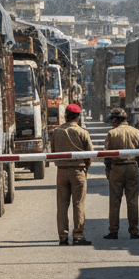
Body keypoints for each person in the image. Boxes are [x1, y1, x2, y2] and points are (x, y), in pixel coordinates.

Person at [50, 103, 94, 245]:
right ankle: (78, 236)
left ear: (65, 115)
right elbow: (90, 154)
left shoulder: (56, 132)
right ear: (78, 117)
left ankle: (63, 237)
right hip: (78, 170)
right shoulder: (82, 132)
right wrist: (86, 168)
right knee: (78, 204)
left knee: (62, 205)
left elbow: (53, 152)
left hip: (61, 171)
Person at [103, 108, 139, 240]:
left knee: (115, 201)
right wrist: (135, 164)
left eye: (112, 120)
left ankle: (113, 231)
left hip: (117, 168)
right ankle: (134, 231)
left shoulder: (112, 133)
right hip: (132, 167)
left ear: (116, 119)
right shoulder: (137, 132)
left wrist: (108, 170)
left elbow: (107, 155)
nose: (111, 122)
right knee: (132, 201)